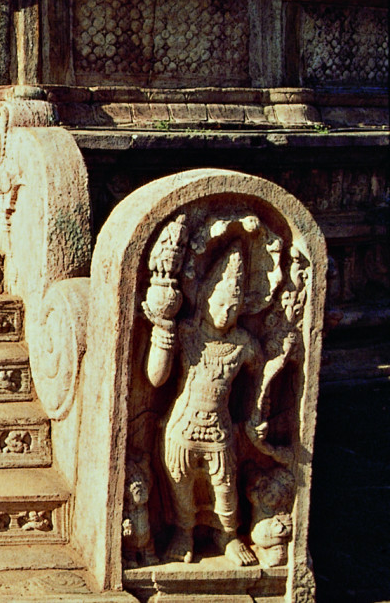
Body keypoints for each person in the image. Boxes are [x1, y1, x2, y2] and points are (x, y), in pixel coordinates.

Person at [146, 241, 261, 567]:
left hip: (220, 427)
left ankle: (228, 536)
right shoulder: (188, 334)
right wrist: (163, 334)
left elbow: (258, 382)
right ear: (207, 297)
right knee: (180, 483)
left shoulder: (244, 344)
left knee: (225, 487)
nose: (227, 311)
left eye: (234, 305)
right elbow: (156, 378)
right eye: (221, 302)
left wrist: (255, 413)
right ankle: (184, 533)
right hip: (182, 426)